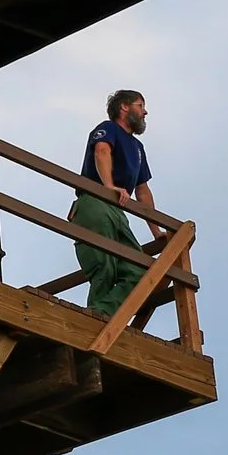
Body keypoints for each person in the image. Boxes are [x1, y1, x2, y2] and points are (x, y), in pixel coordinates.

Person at [69, 89, 158, 318]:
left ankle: (100, 315)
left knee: (140, 272)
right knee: (104, 266)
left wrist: (156, 232)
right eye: (140, 105)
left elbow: (143, 190)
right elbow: (101, 150)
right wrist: (108, 186)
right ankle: (95, 322)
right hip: (95, 202)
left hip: (118, 211)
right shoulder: (108, 128)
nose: (145, 111)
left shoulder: (138, 148)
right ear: (124, 107)